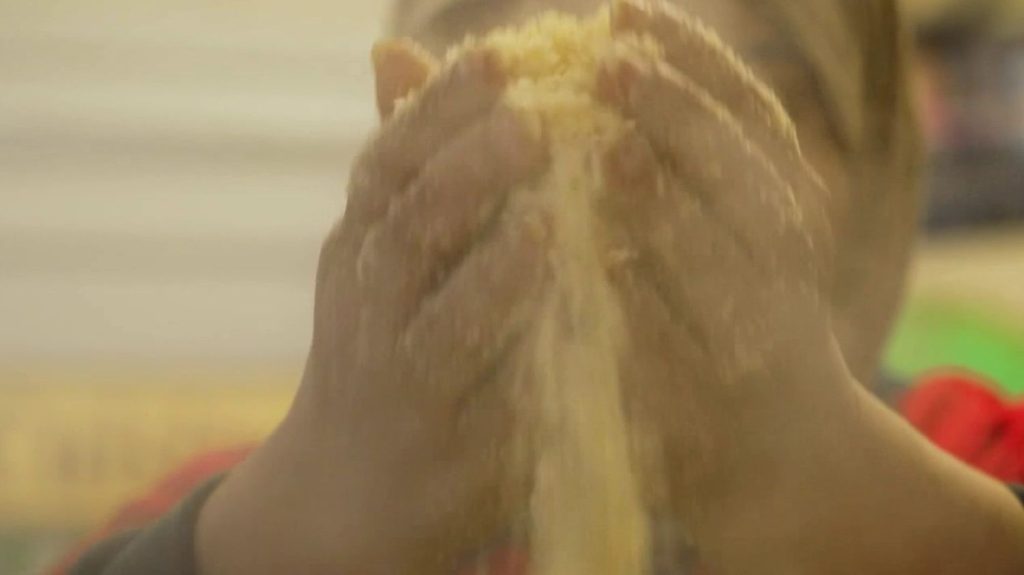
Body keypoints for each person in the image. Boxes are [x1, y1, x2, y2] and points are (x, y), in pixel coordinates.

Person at [61, 0, 1024, 573]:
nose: (612, 155)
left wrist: (869, 517)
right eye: (477, 58)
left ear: (885, 178)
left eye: (755, 82)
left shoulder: (974, 459)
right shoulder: (260, 511)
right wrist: (299, 536)